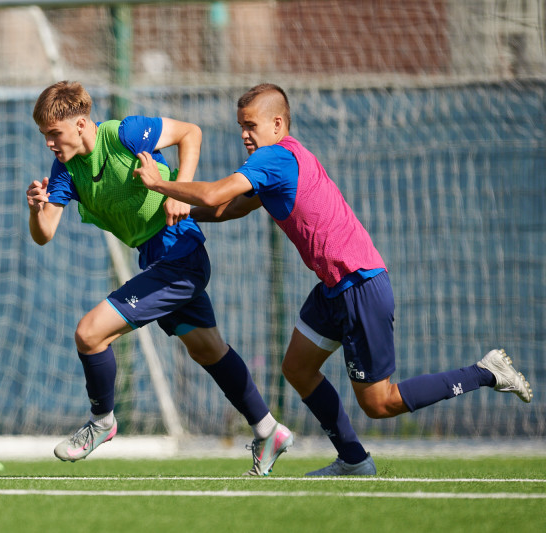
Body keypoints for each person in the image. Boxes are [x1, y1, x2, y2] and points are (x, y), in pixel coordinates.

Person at [135, 83, 533, 476]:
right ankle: (354, 460)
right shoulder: (282, 160)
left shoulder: (274, 157)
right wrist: (169, 211)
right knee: (297, 368)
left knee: (380, 403)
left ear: (277, 124)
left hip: (360, 285)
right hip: (333, 289)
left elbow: (213, 193)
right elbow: (229, 208)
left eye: (250, 125)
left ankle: (486, 371)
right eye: (241, 125)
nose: (244, 134)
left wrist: (161, 185)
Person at [27, 81, 293, 475]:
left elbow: (190, 133)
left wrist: (179, 192)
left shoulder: (125, 134)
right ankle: (268, 429)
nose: (49, 142)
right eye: (44, 135)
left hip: (180, 253)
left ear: (81, 124)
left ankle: (102, 422)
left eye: (54, 133)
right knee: (208, 349)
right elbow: (44, 234)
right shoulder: (66, 170)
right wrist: (36, 208)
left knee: (89, 333)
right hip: (156, 259)